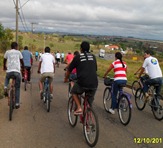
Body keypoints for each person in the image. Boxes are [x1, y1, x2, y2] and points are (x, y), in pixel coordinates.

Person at [65, 41, 98, 115]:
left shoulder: (77, 57)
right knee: (89, 102)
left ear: (81, 49)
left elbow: (69, 70)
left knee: (73, 92)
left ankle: (79, 108)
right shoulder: (93, 56)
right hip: (94, 83)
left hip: (83, 82)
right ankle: (88, 118)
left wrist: (66, 78)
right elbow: (95, 69)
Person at [3, 42, 24, 109]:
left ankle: (5, 87)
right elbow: (21, 61)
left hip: (9, 71)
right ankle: (17, 103)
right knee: (17, 88)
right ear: (16, 47)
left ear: (11, 46)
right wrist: (23, 67)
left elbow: (4, 60)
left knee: (7, 78)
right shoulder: (18, 52)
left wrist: (4, 66)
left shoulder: (7, 52)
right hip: (17, 72)